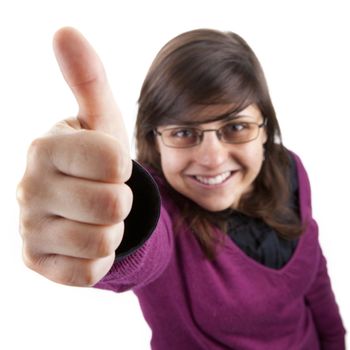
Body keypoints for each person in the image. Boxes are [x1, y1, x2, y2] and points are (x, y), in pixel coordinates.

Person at [17, 27, 346, 349]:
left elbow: (314, 276)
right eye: (184, 133)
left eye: (236, 127)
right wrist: (118, 222)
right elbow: (145, 249)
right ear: (155, 142)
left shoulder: (289, 169)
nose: (213, 159)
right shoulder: (160, 211)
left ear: (265, 130)